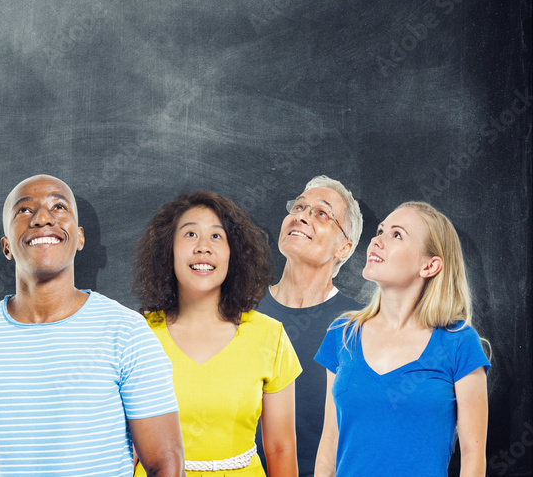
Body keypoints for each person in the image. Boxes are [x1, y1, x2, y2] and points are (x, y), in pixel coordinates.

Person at [0, 174, 185, 477]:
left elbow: (165, 463)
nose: (42, 218)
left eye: (58, 206)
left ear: (79, 238)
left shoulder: (127, 333)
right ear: (6, 246)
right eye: (24, 210)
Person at [314, 201, 490, 476]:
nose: (376, 240)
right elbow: (329, 443)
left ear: (430, 266)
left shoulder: (459, 342)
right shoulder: (343, 334)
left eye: (396, 235)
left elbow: (473, 455)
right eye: (380, 230)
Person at [133, 191, 300, 477]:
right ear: (168, 250)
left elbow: (281, 448)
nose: (203, 247)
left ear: (233, 252)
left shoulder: (269, 336)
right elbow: (126, 449)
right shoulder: (137, 334)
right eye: (189, 234)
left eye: (216, 236)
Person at [254, 176, 363, 476]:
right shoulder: (240, 310)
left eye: (321, 213)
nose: (301, 215)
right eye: (298, 207)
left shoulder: (360, 325)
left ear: (343, 248)